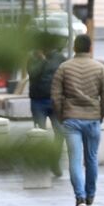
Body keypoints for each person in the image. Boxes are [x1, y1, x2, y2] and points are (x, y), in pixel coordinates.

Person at [51, 33, 104, 206]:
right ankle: (90, 194)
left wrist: (62, 115)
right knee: (91, 159)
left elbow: (55, 97)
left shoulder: (64, 68)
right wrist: (99, 114)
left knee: (75, 160)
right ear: (90, 48)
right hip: (93, 119)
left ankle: (80, 197)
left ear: (74, 48)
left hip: (71, 119)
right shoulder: (100, 68)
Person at [26, 36, 68, 176]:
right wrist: (43, 61)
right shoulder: (33, 57)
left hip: (55, 100)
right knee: (40, 134)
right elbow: (33, 75)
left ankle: (54, 161)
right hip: (38, 101)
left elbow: (66, 76)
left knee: (60, 132)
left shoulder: (60, 58)